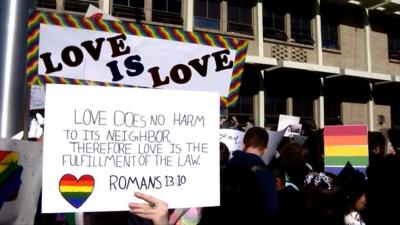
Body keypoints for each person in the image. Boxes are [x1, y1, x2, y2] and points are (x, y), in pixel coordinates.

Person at [225, 126, 278, 224]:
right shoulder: (266, 175)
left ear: (242, 144)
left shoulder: (225, 168)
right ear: (265, 150)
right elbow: (270, 212)